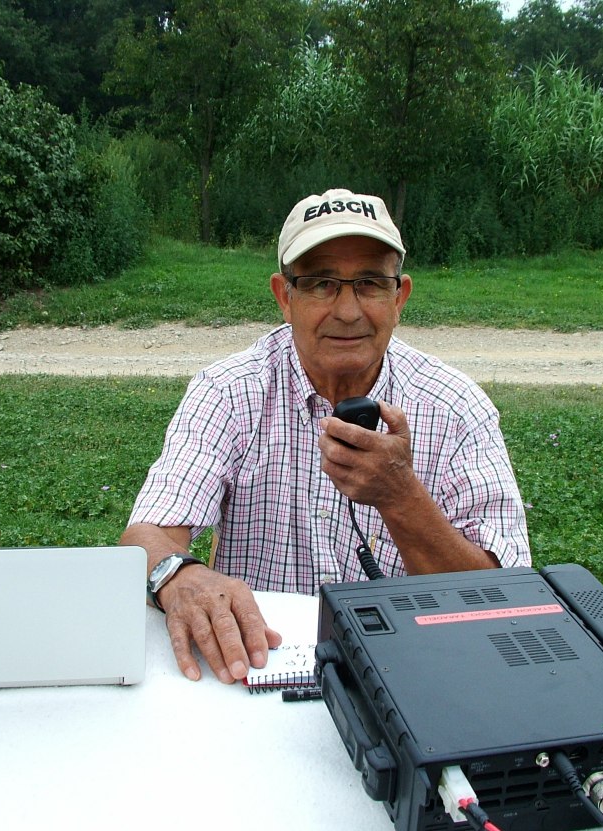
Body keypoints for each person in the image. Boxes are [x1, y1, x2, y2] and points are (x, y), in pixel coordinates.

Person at [120, 188, 530, 684]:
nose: (348, 310)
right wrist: (180, 576)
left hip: (413, 673)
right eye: (321, 284)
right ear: (284, 297)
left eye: (370, 283)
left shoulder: (457, 407)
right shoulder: (229, 391)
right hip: (260, 661)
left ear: (399, 298)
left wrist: (401, 497)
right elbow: (147, 536)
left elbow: (504, 599)